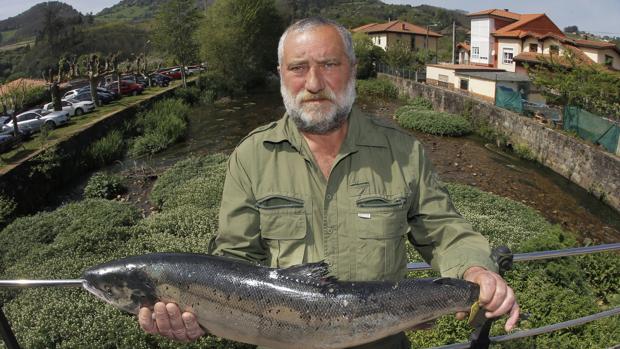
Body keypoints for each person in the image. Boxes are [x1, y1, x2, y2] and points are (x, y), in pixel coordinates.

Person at [138, 17, 519, 348]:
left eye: (329, 64)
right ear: (281, 73)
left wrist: (475, 269)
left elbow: (443, 233)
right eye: (298, 67)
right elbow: (235, 262)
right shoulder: (250, 157)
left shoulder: (404, 152)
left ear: (352, 70)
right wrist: (196, 311)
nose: (314, 82)